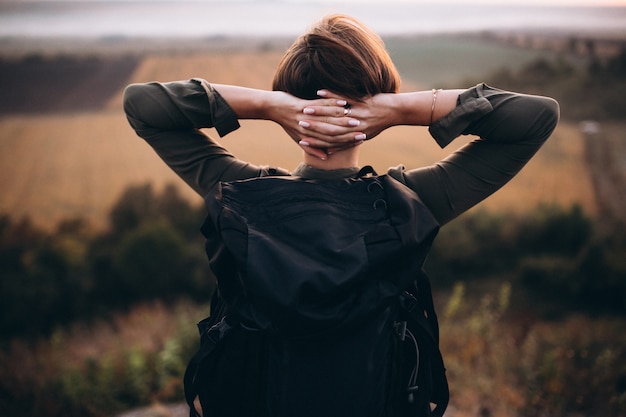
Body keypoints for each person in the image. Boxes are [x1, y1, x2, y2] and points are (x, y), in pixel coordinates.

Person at [123, 13, 559, 417]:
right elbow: (537, 117)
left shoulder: (239, 197)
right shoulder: (411, 205)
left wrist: (270, 105)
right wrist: (401, 109)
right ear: (377, 98)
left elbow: (142, 105)